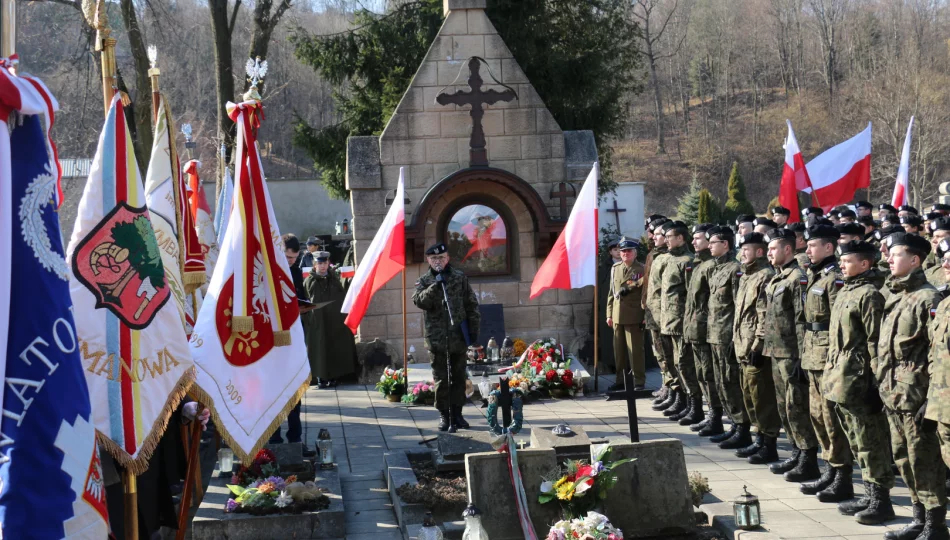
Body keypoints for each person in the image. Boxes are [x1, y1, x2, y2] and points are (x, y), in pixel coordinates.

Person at [878, 233, 945, 540]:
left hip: (916, 396)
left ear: (914, 260)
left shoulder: (929, 299)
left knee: (923, 460)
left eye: (895, 255)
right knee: (903, 458)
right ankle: (918, 518)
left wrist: (929, 400)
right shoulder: (897, 295)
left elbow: (937, 355)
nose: (888, 259)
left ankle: (935, 524)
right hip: (894, 393)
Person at [825, 241, 896, 525]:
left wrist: (876, 384)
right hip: (842, 378)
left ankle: (881, 500)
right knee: (856, 439)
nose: (842, 264)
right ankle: (868, 494)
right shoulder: (847, 291)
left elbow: (876, 342)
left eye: (848, 260)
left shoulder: (868, 294)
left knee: (871, 441)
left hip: (860, 379)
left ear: (865, 264)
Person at [798, 225, 853, 501]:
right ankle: (829, 468)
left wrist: (834, 359)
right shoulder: (814, 275)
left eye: (813, 245)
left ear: (829, 248)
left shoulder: (834, 279)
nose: (807, 250)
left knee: (831, 418)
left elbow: (836, 323)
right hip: (811, 352)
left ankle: (842, 474)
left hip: (826, 355)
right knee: (817, 415)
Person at [763, 228, 820, 482]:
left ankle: (808, 458)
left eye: (773, 248)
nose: (768, 253)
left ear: (788, 249)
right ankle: (797, 452)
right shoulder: (779, 277)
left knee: (796, 407)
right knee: (784, 408)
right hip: (777, 351)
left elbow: (801, 319)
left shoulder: (797, 278)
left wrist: (801, 356)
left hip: (791, 353)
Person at [412, 243, 480, 432]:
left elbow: (471, 305)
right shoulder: (424, 280)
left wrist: (474, 332)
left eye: (441, 258)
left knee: (459, 377)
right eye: (434, 259)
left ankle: (458, 414)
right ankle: (444, 415)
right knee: (441, 379)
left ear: (447, 259)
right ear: (428, 260)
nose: (438, 262)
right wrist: (436, 286)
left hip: (458, 337)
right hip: (437, 339)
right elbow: (419, 301)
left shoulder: (459, 277)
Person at [733, 232, 781, 464]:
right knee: (750, 397)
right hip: (742, 344)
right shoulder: (747, 275)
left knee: (762, 398)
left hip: (755, 347)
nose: (743, 253)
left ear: (759, 252)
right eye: (742, 249)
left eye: (747, 250)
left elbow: (765, 315)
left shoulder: (765, 276)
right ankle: (758, 439)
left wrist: (758, 344)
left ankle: (769, 443)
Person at [705, 226, 752, 448]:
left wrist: (735, 337)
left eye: (713, 242)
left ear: (725, 244)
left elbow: (738, 306)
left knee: (731, 382)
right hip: (714, 334)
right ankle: (733, 424)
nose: (709, 245)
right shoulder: (717, 269)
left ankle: (742, 427)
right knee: (721, 382)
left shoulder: (735, 269)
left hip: (727, 336)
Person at [269, 235, 312, 454]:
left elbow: (300, 296)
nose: (291, 262)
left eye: (295, 258)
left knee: (295, 392)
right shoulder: (268, 271)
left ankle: (295, 439)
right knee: (275, 393)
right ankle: (274, 440)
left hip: (294, 338)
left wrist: (305, 307)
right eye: (287, 257)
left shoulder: (295, 271)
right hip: (273, 343)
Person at [661, 221, 704, 425]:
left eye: (670, 237)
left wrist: (687, 322)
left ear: (680, 238)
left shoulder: (688, 261)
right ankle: (685, 402)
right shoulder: (670, 260)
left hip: (681, 322)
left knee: (685, 365)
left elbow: (691, 296)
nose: (666, 240)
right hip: (670, 321)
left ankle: (695, 407)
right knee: (676, 364)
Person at [684, 223, 723, 435]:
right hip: (695, 328)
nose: (693, 242)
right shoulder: (699, 264)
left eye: (698, 238)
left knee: (709, 374)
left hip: (707, 330)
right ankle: (708, 413)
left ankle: (715, 416)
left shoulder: (710, 266)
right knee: (701, 373)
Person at [303, 251, 357, 388]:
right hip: (318, 320)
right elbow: (307, 298)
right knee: (319, 348)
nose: (322, 266)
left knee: (334, 346)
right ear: (315, 264)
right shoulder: (310, 280)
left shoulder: (334, 278)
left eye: (325, 263)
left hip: (334, 319)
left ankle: (334, 376)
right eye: (319, 263)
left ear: (328, 263)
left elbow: (341, 295)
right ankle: (321, 377)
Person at [647, 219, 684, 413]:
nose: (654, 237)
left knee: (673, 358)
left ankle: (677, 392)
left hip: (669, 317)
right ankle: (670, 388)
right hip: (655, 314)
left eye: (660, 235)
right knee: (662, 355)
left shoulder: (674, 259)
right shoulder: (658, 257)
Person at [606, 237, 646, 390]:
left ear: (635, 253)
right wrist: (609, 314)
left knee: (635, 351)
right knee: (619, 352)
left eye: (629, 251)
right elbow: (611, 293)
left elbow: (646, 294)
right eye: (623, 251)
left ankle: (639, 381)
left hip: (634, 316)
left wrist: (645, 316)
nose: (625, 254)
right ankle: (620, 380)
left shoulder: (642, 269)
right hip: (617, 316)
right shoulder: (615, 268)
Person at [595, 236, 621, 373]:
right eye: (615, 249)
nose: (618, 252)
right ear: (610, 252)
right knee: (609, 339)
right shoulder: (604, 268)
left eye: (620, 249)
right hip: (607, 308)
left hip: (624, 309)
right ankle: (612, 365)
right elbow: (599, 291)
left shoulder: (628, 265)